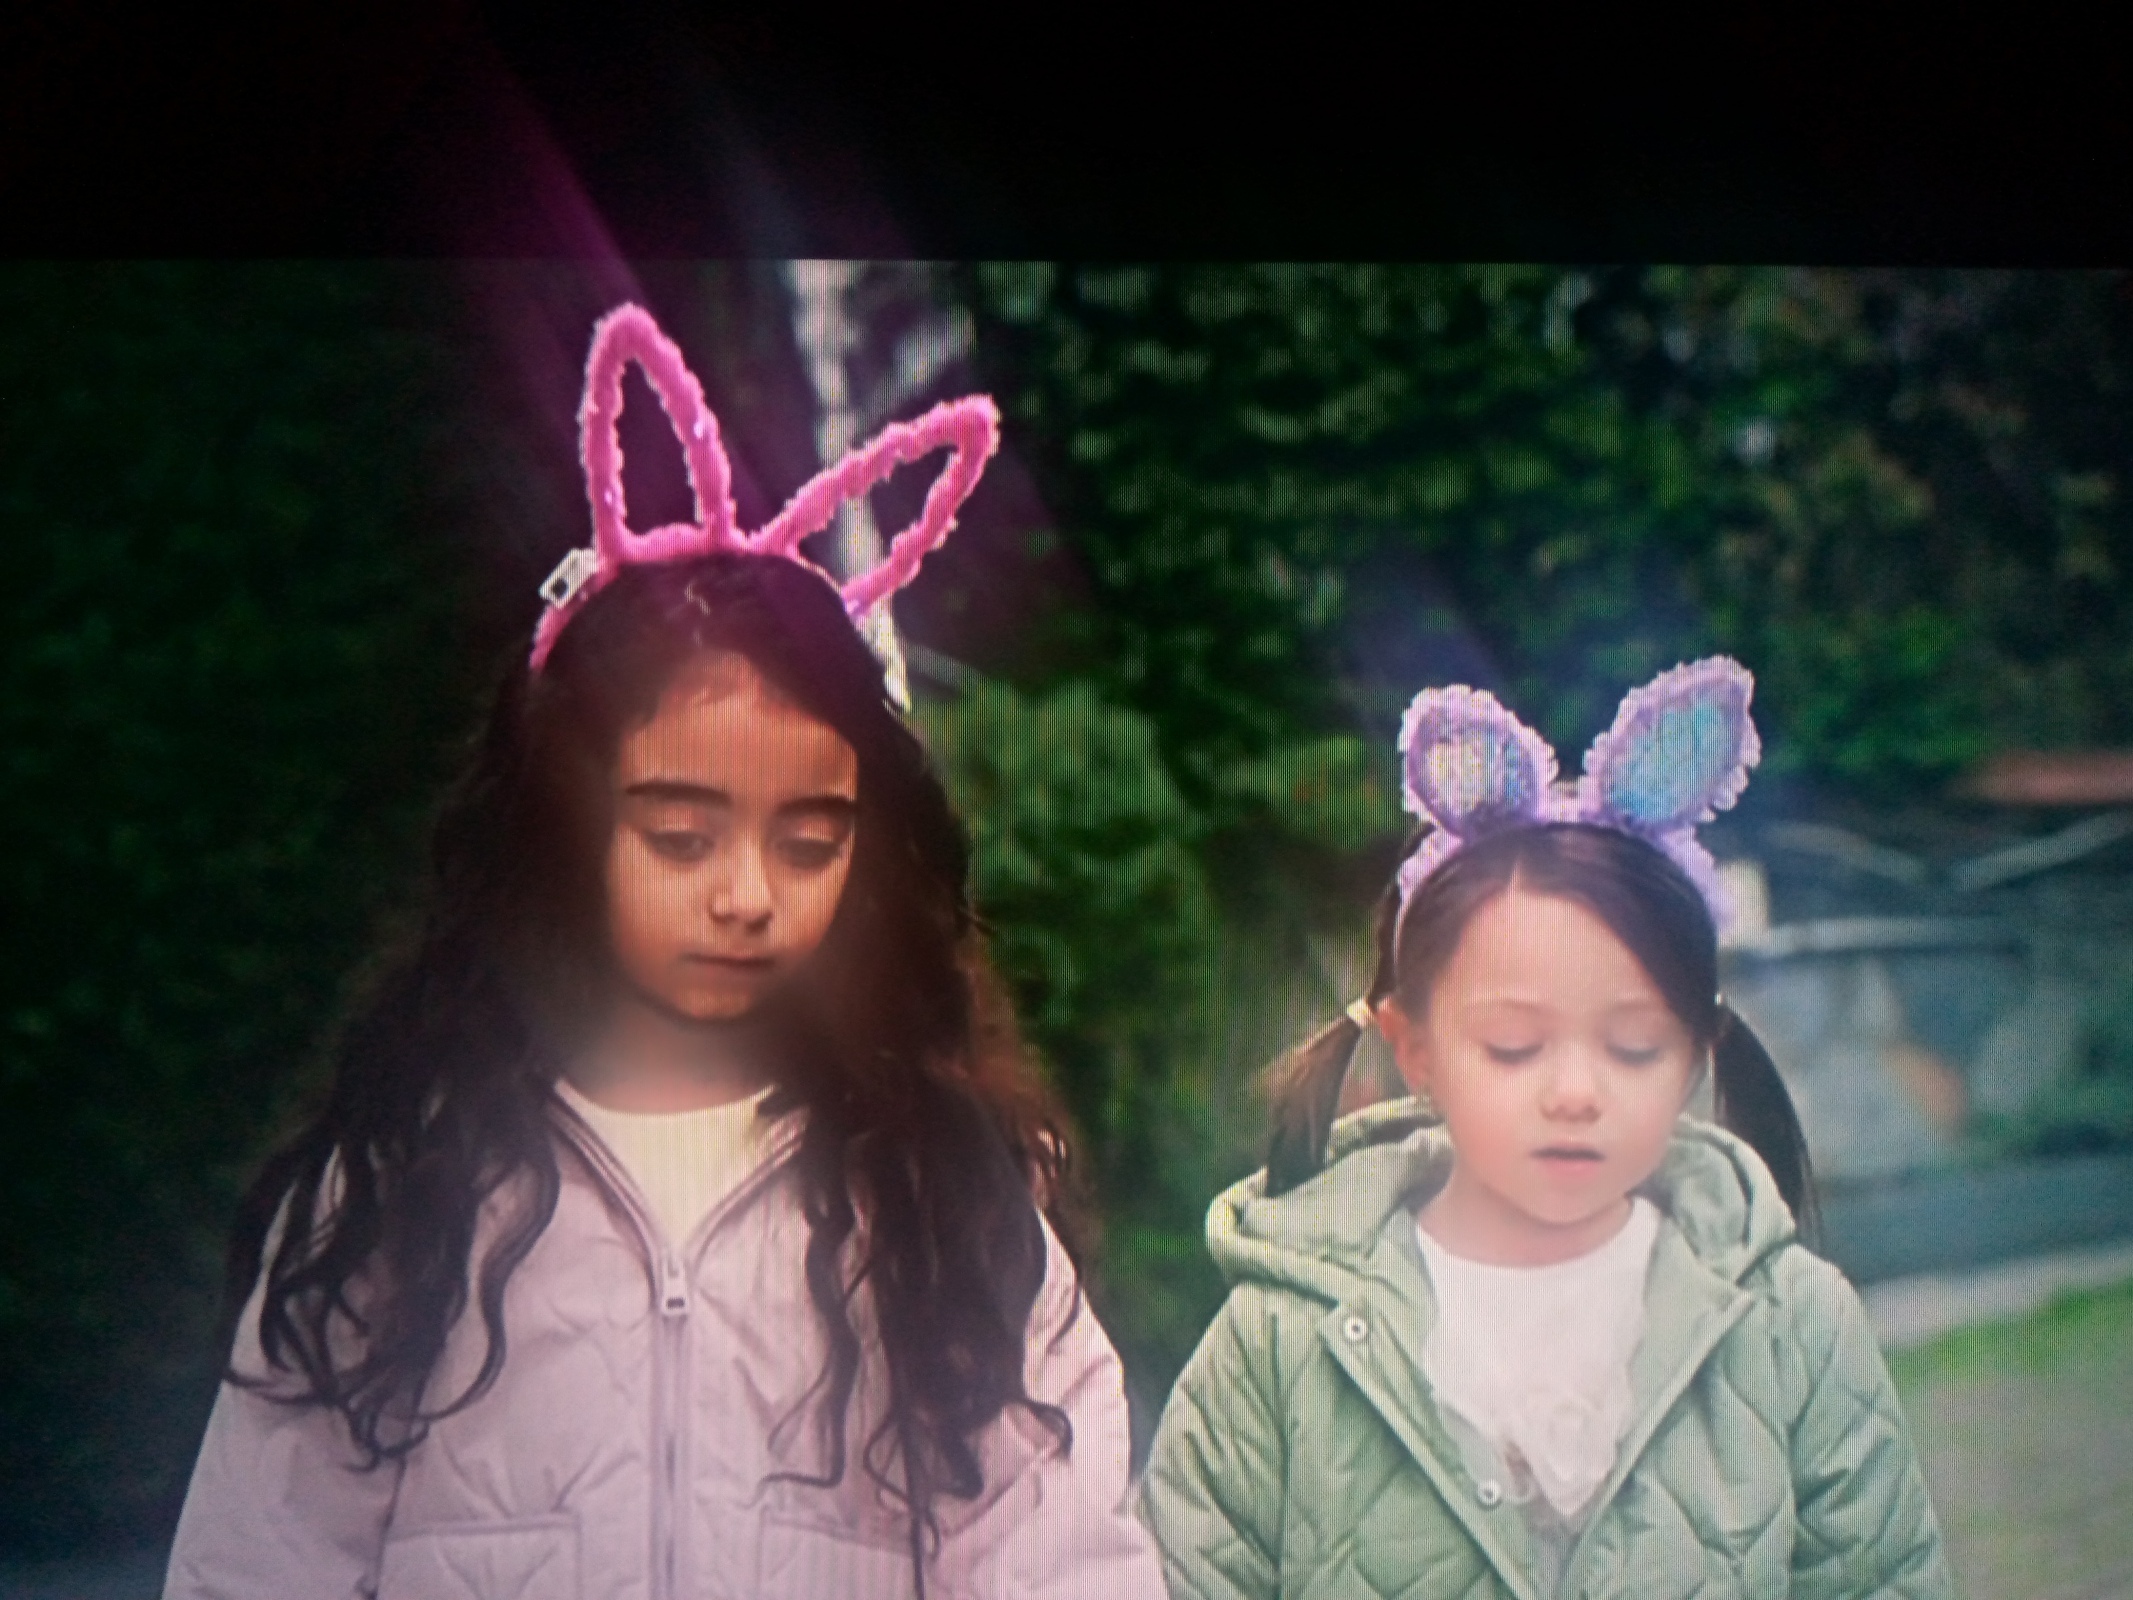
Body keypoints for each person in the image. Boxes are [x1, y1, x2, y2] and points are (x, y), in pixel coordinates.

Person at [164, 304, 1166, 1600]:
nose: (746, 895)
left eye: (808, 842)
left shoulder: (943, 1199)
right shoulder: (403, 1190)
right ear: (563, 825)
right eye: (681, 835)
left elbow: (1062, 1561)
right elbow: (256, 1564)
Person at [1140, 660, 1954, 1598]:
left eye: (1634, 1047)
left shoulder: (1791, 1324)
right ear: (1414, 1049)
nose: (1574, 1093)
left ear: (1696, 1056)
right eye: (1513, 1046)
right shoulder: (1277, 1340)